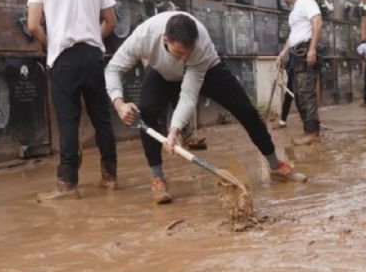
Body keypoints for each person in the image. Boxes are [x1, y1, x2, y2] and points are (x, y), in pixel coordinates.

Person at [106, 12, 308, 204]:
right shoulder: (144, 35)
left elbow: (188, 94)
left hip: (207, 69)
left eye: (187, 53)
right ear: (165, 40)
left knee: (245, 109)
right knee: (147, 110)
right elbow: (113, 68)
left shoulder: (200, 48)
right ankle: (158, 179)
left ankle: (275, 165)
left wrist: (175, 129)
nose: (183, 58)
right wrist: (118, 102)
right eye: (179, 52)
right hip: (162, 72)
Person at [27, 0, 118, 199]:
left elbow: (33, 25)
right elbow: (111, 22)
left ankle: (68, 184)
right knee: (101, 117)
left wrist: (51, 42)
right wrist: (93, 38)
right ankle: (110, 176)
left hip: (63, 57)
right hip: (92, 56)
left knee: (68, 121)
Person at [275, 0, 323, 145]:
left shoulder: (306, 2)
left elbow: (317, 22)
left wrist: (312, 49)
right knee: (297, 93)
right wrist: (282, 53)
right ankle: (308, 130)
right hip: (295, 54)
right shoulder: (293, 12)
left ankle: (312, 132)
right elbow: (293, 36)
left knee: (306, 92)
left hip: (305, 51)